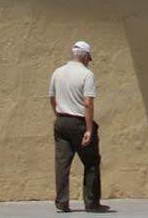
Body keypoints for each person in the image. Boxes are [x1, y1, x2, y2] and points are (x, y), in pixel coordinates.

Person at [51, 40, 110, 214]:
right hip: (79, 123)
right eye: (88, 58)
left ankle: (62, 202)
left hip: (61, 121)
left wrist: (59, 115)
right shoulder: (87, 74)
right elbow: (88, 103)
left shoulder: (58, 72)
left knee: (62, 164)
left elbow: (52, 98)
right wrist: (89, 129)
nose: (88, 62)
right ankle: (91, 203)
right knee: (91, 162)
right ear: (84, 56)